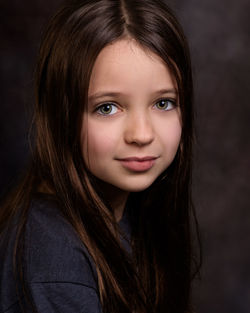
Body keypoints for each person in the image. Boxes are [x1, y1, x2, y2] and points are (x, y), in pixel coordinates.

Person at [0, 0, 201, 312]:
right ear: (61, 116)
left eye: (163, 103)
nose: (142, 134)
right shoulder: (55, 267)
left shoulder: (130, 211)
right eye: (107, 107)